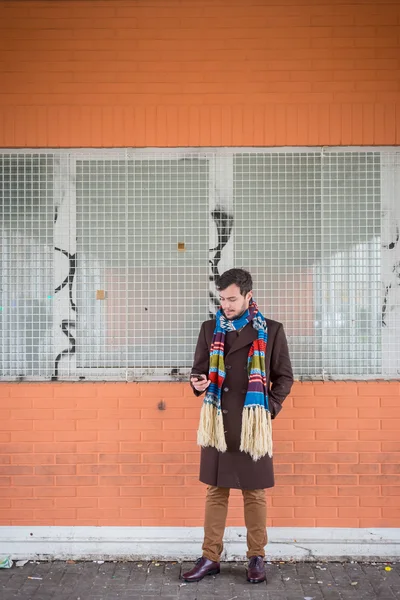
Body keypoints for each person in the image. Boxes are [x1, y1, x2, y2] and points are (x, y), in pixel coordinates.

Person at [181, 268, 293, 584]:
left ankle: (256, 558)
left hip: (252, 424)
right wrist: (198, 383)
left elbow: (284, 376)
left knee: (254, 493)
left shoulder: (270, 330)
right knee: (215, 492)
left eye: (232, 299)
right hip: (217, 422)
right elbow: (198, 371)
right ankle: (209, 557)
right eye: (223, 299)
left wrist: (268, 408)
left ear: (248, 296)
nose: (226, 305)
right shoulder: (208, 330)